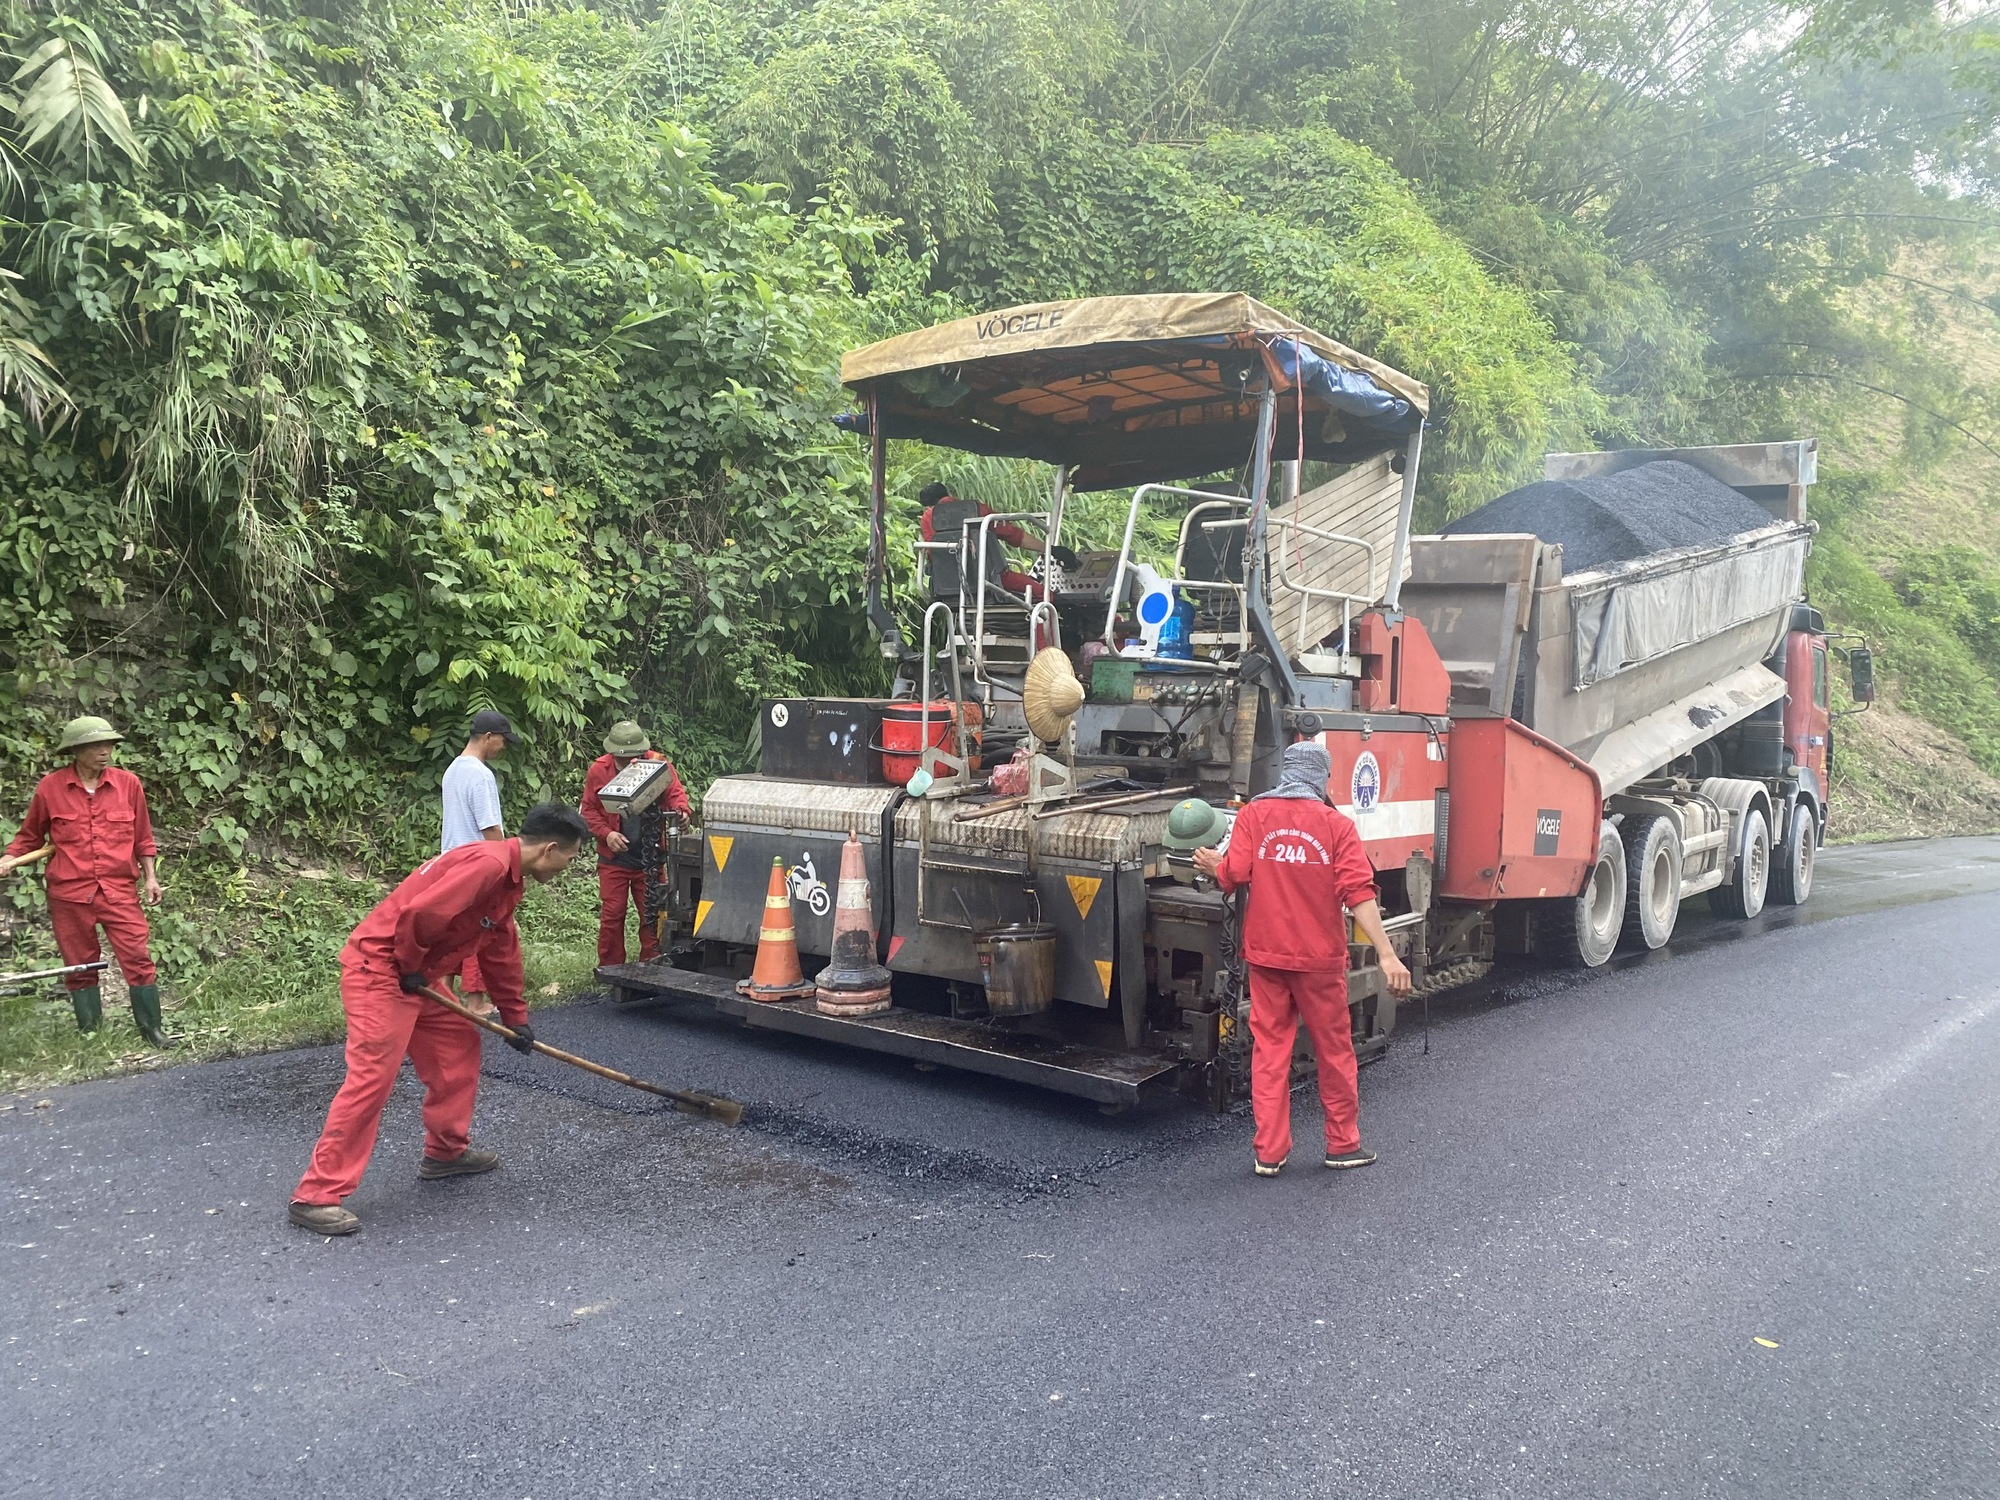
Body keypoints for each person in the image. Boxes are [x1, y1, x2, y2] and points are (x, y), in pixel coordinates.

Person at [288, 801, 591, 1236]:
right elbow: (421, 913)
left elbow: (499, 949)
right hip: (382, 971)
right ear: (549, 850)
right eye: (570, 857)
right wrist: (409, 962)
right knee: (372, 1080)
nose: (568, 866)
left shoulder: (508, 881)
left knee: (458, 1046)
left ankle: (445, 1153)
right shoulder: (486, 865)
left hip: (418, 977)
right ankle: (315, 1195)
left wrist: (515, 1017)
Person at [1194, 741, 1412, 1177]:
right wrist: (1387, 956)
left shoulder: (1255, 814)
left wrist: (1214, 865)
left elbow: (1233, 875)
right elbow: (1359, 894)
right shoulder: (1336, 826)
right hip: (1319, 961)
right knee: (1334, 1052)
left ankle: (1269, 1153)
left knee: (1270, 1053)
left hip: (1267, 957)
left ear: (1284, 772)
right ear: (1321, 778)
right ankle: (1342, 1145)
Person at [0, 715, 169, 1045]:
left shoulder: (128, 784)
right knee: (80, 965)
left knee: (137, 957)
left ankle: (153, 1031)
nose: (104, 751)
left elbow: (143, 838)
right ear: (76, 750)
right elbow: (29, 837)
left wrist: (151, 878)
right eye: (95, 745)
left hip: (118, 890)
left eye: (108, 744)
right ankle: (91, 1034)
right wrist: (9, 857)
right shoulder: (51, 788)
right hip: (68, 894)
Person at [579, 720, 690, 969]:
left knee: (651, 915)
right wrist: (607, 834)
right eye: (622, 759)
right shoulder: (599, 770)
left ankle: (652, 966)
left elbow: (675, 795)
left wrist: (682, 812)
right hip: (614, 859)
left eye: (634, 757)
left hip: (650, 856)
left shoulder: (658, 764)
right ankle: (610, 968)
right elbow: (588, 810)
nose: (629, 763)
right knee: (612, 915)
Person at [441, 708, 516, 1014]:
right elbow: (490, 828)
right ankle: (475, 1001)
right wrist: (507, 867)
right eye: (502, 741)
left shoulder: (453, 769)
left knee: (453, 931)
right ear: (488, 738)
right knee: (481, 930)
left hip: (451, 860)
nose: (504, 747)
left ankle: (443, 993)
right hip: (477, 863)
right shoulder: (481, 775)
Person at [918, 481, 1075, 599]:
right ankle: (1045, 643)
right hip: (989, 579)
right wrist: (1051, 549)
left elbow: (932, 552)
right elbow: (1014, 535)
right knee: (1043, 594)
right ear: (949, 495)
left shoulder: (927, 518)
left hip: (946, 585)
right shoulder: (978, 509)